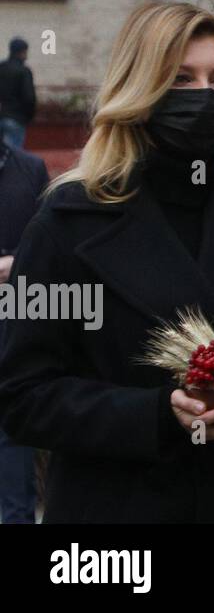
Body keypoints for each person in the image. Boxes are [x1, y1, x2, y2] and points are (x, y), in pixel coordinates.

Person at [0, 2, 214, 523]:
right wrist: (160, 415)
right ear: (140, 91)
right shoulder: (67, 223)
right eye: (181, 79)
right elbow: (22, 397)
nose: (205, 96)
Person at [0, 140, 47, 523]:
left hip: (14, 309)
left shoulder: (29, 168)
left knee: (11, 425)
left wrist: (17, 262)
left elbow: (46, 237)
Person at [0, 37, 36, 149]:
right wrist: (28, 116)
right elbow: (29, 98)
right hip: (16, 118)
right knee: (12, 157)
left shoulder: (1, 68)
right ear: (23, 52)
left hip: (1, 115)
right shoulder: (24, 71)